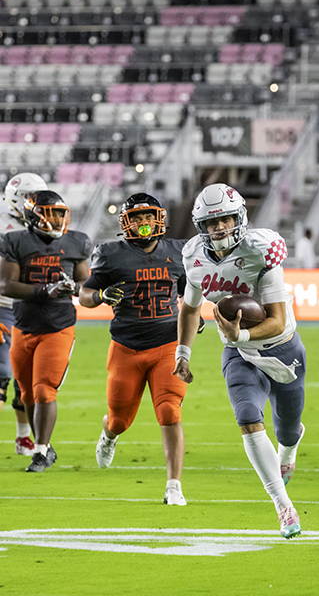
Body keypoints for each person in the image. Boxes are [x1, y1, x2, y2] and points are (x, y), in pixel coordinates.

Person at [173, 183, 306, 539]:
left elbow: (277, 319)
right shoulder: (194, 257)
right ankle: (283, 505)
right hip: (240, 355)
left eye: (227, 219)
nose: (220, 228)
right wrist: (183, 353)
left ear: (240, 217)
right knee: (248, 417)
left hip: (282, 350)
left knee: (288, 427)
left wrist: (241, 334)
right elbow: (189, 308)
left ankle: (289, 448)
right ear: (201, 225)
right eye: (212, 222)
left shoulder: (261, 251)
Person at [79, 192, 199, 506]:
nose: (144, 223)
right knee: (119, 419)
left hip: (167, 345)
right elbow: (84, 295)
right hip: (126, 347)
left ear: (159, 218)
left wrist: (193, 317)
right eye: (138, 218)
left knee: (170, 412)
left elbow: (190, 294)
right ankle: (109, 435)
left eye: (149, 217)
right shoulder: (111, 253)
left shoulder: (179, 250)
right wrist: (102, 295)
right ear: (126, 222)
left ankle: (174, 485)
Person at [0, 190, 91, 472]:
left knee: (43, 390)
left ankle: (40, 451)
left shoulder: (76, 242)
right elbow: (6, 285)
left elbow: (85, 284)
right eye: (50, 212)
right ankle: (44, 447)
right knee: (26, 394)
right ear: (32, 215)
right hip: (24, 326)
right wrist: (44, 289)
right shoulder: (15, 241)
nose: (57, 218)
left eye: (61, 212)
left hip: (58, 327)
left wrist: (71, 288)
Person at [0, 172, 48, 456]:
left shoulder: (42, 220)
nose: (37, 204)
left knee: (25, 379)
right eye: (31, 199)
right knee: (2, 376)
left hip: (30, 307)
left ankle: (23, 437)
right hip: (4, 306)